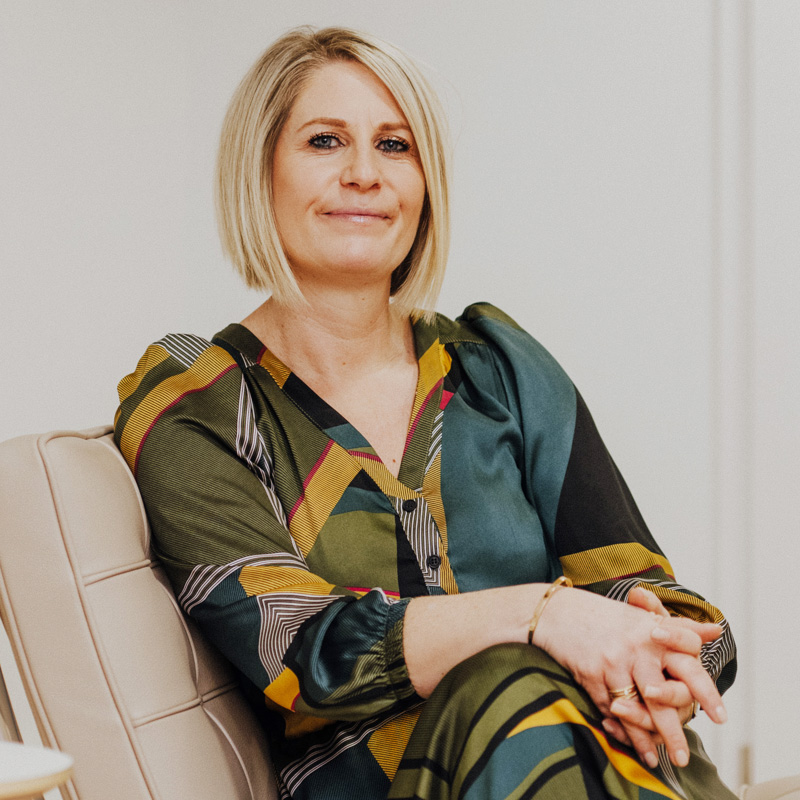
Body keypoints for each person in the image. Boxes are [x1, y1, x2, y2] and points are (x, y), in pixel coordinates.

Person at [114, 26, 737, 800]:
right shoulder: (201, 397)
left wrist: (665, 670)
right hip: (394, 782)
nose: (364, 174)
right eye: (325, 141)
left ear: (425, 182)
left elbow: (663, 603)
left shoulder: (495, 366)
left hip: (612, 763)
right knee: (507, 683)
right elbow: (304, 655)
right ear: (259, 168)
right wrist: (541, 615)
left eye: (394, 146)